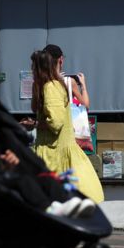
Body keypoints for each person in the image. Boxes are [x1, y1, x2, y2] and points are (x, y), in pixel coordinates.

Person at [0, 104, 94, 217]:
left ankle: (67, 202)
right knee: (24, 179)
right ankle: (50, 208)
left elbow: (2, 173)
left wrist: (8, 165)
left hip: (8, 188)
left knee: (41, 176)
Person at [31, 49, 105, 203]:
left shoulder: (50, 87)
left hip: (54, 151)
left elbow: (56, 123)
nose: (31, 69)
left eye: (33, 66)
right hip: (56, 150)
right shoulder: (52, 85)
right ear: (60, 61)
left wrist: (36, 124)